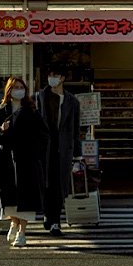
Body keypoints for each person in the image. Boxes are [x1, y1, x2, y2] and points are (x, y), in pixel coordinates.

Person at [0, 76, 48, 247]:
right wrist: (0, 130)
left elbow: (43, 135)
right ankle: (14, 222)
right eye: (15, 87)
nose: (19, 90)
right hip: (7, 160)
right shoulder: (1, 111)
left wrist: (34, 150)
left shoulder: (31, 111)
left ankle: (22, 232)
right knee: (9, 196)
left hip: (27, 161)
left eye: (21, 87)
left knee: (26, 196)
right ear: (9, 90)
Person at [34, 65, 83, 234]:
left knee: (58, 185)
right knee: (46, 184)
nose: (51, 77)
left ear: (62, 78)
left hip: (63, 150)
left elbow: (75, 130)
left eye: (55, 75)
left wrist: (77, 155)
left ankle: (55, 221)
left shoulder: (71, 101)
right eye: (49, 74)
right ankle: (48, 216)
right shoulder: (40, 97)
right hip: (44, 149)